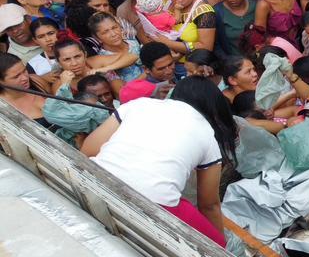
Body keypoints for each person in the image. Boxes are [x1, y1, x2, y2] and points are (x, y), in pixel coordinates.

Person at [82, 77, 235, 245]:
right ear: (214, 107)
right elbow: (209, 205)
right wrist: (221, 243)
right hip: (153, 203)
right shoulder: (207, 134)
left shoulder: (139, 104)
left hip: (96, 179)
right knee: (218, 246)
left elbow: (88, 150)